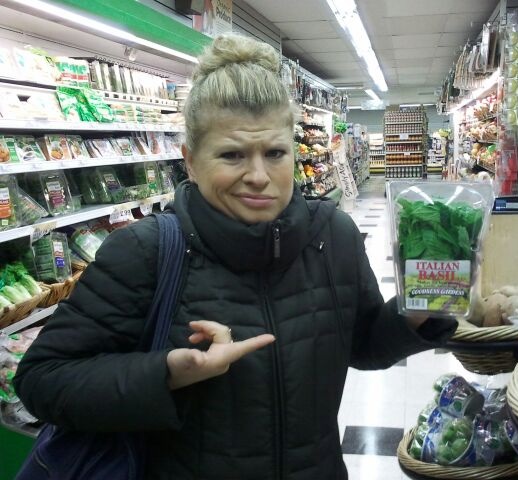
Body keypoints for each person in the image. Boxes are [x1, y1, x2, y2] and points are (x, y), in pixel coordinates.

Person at [15, 34, 458, 479]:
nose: (259, 176)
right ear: (190, 161)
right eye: (232, 155)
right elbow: (43, 380)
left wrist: (420, 310)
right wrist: (167, 372)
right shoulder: (145, 251)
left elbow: (363, 346)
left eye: (275, 153)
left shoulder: (334, 236)